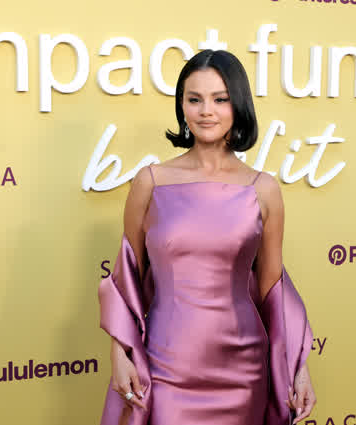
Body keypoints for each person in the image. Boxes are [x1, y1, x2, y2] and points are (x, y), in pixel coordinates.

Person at [98, 49, 316, 425]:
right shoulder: (150, 182)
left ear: (238, 104)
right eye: (194, 99)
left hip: (244, 370)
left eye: (220, 99)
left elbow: (273, 291)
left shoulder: (263, 189)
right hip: (166, 366)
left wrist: (298, 367)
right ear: (182, 106)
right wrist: (120, 354)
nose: (206, 111)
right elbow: (126, 280)